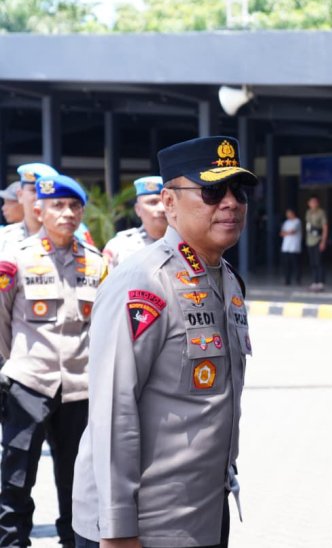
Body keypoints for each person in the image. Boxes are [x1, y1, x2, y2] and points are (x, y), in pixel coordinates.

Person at [72, 135, 256, 547]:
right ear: (169, 203)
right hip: (145, 525)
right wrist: (118, 529)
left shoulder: (227, 279)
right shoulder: (144, 280)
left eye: (238, 191)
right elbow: (112, 408)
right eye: (211, 191)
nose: (229, 202)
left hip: (203, 512)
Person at [0, 175, 101, 548]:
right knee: (15, 478)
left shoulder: (96, 263)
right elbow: (2, 321)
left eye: (74, 206)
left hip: (80, 388)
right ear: (39, 211)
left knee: (77, 483)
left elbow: (102, 327)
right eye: (57, 206)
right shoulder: (16, 259)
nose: (67, 213)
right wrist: (18, 363)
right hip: (29, 384)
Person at [102, 176, 168, 269]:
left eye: (166, 202)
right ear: (138, 209)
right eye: (153, 202)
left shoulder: (189, 243)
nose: (162, 208)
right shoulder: (119, 246)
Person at [0, 163, 59, 253]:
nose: (38, 197)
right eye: (33, 190)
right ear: (20, 195)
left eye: (45, 192)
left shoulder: (67, 237)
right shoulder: (4, 238)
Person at [305, 195, 328, 291]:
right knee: (313, 262)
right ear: (309, 203)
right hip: (309, 240)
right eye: (311, 202)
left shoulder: (321, 213)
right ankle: (314, 281)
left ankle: (320, 282)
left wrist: (323, 241)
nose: (313, 204)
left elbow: (325, 227)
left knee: (319, 262)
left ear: (317, 203)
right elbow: (308, 226)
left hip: (318, 240)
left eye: (315, 202)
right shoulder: (308, 212)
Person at [279, 208, 303, 285]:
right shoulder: (286, 222)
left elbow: (293, 231)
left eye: (289, 213)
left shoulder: (297, 221)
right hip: (286, 247)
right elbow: (281, 233)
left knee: (296, 264)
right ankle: (287, 280)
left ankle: (298, 279)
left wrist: (286, 232)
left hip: (294, 247)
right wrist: (287, 232)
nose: (287, 215)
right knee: (286, 265)